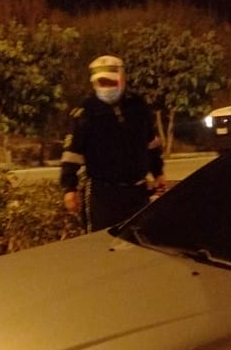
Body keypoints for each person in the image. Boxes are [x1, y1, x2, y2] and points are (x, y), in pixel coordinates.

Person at [60, 55, 164, 231]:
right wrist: (69, 188)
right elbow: (72, 154)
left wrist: (158, 172)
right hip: (103, 195)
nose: (106, 88)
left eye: (110, 83)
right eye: (101, 83)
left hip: (137, 192)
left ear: (122, 79)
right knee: (102, 246)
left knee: (139, 244)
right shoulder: (86, 113)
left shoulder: (138, 107)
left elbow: (151, 142)